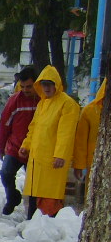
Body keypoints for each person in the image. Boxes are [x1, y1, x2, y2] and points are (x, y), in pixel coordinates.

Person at [19, 65, 80, 218]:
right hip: (37, 160)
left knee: (50, 200)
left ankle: (49, 231)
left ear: (56, 84)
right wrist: (26, 145)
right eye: (43, 84)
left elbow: (66, 133)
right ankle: (31, 226)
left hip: (53, 163)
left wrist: (60, 155)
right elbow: (33, 128)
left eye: (49, 84)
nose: (46, 87)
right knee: (34, 196)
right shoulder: (42, 103)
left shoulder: (68, 104)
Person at [0, 65, 39, 214]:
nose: (26, 90)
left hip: (35, 150)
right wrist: (0, 148)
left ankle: (32, 214)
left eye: (29, 86)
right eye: (23, 86)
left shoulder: (43, 101)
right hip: (15, 147)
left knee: (33, 185)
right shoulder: (15, 100)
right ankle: (12, 197)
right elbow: (4, 124)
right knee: (6, 173)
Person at [74, 77, 104, 205]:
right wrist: (79, 165)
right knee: (94, 200)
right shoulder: (90, 111)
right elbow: (81, 141)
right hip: (94, 164)